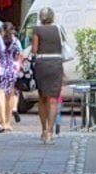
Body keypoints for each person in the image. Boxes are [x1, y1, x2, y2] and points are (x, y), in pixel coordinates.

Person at [26, 9, 69, 140]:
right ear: (52, 17)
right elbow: (63, 46)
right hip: (56, 64)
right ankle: (50, 132)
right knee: (53, 99)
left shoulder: (37, 30)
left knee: (43, 97)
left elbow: (34, 49)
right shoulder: (59, 29)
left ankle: (44, 129)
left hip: (42, 65)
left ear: (40, 17)